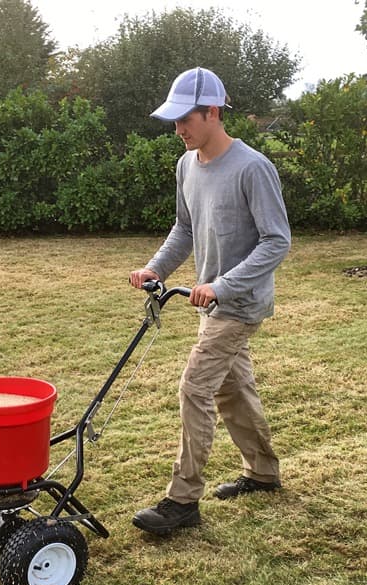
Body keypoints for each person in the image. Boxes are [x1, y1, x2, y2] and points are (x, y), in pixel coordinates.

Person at [129, 66, 291, 535]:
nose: (178, 129)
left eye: (186, 119)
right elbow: (185, 228)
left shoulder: (252, 167)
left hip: (238, 303)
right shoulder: (187, 165)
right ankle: (263, 472)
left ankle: (182, 500)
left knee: (195, 387)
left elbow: (276, 241)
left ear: (213, 113)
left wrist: (222, 285)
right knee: (231, 388)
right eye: (175, 120)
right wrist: (156, 268)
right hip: (211, 302)